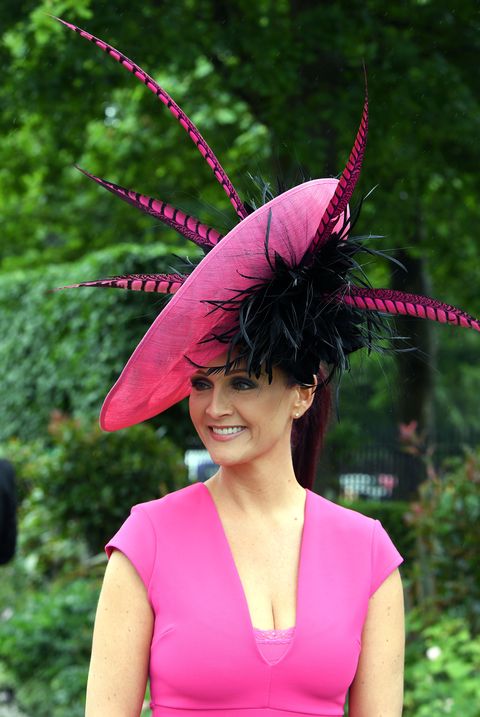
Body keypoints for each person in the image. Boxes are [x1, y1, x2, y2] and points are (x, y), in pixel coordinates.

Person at [54, 17, 480, 717]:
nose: (214, 404)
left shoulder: (369, 556)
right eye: (202, 380)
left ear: (304, 392)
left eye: (243, 380)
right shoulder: (146, 542)